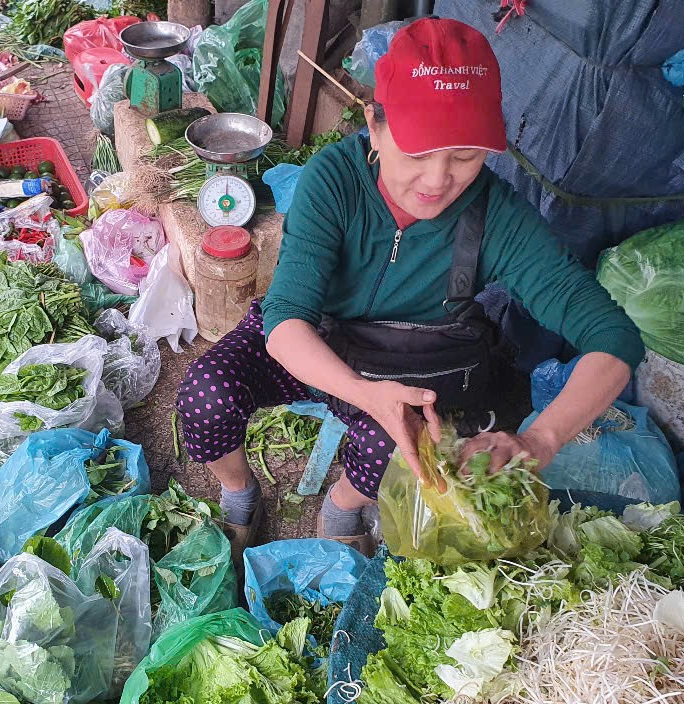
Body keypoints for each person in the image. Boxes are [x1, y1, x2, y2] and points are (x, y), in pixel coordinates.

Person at [176, 17, 644, 555]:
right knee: (206, 394)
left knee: (401, 451)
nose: (438, 180)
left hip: (408, 359)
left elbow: (614, 338)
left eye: (465, 155)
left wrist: (541, 438)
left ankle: (344, 505)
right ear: (375, 127)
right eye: (418, 152)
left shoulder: (498, 215)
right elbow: (284, 324)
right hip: (313, 339)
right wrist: (361, 393)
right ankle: (239, 492)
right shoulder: (335, 179)